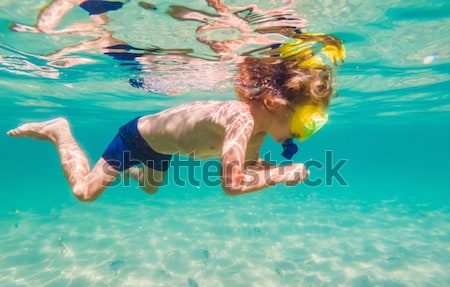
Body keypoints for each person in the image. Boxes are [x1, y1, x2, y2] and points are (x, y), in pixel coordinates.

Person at [6, 34, 344, 201]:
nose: (304, 133)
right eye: (307, 121)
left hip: (162, 149)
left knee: (150, 189)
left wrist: (266, 169)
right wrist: (282, 173)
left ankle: (130, 173)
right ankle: (58, 131)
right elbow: (232, 184)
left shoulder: (256, 135)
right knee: (85, 192)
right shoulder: (240, 119)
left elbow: (246, 168)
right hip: (136, 138)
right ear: (275, 103)